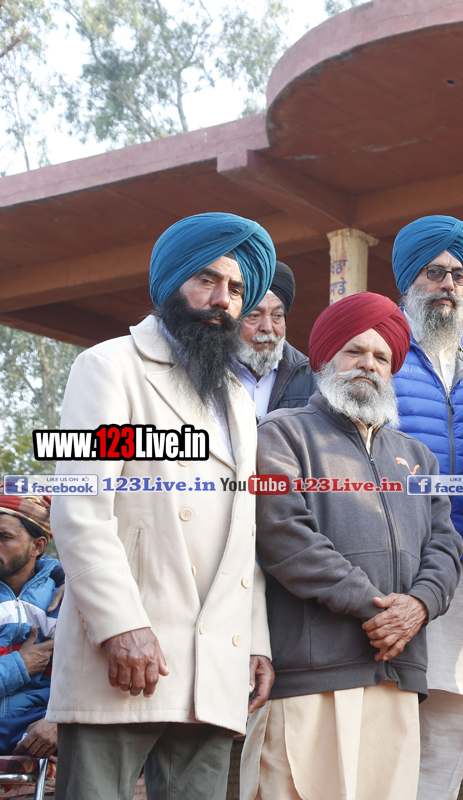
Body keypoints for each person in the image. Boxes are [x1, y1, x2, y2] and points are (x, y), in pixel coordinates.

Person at [50, 212, 276, 800]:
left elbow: (243, 537)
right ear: (171, 282)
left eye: (235, 289)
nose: (222, 300)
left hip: (212, 669)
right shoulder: (109, 367)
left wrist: (255, 641)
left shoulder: (237, 399)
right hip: (125, 657)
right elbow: (80, 509)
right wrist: (121, 626)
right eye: (206, 280)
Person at [243, 291, 462, 800]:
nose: (369, 365)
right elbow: (284, 536)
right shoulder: (281, 434)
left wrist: (418, 606)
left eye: (381, 357)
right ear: (326, 359)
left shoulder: (418, 457)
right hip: (312, 676)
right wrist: (379, 607)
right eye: (355, 351)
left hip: (396, 674)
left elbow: (445, 546)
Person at [391, 215, 463, 800]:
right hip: (391, 564)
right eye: (434, 273)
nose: (448, 285)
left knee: (453, 719)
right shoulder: (380, 351)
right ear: (408, 280)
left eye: (458, 275)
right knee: (390, 717)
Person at [0, 496, 60, 760]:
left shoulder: (67, 597)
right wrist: (19, 666)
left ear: (38, 545)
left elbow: (91, 676)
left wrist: (58, 720)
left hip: (38, 725)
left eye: (4, 537)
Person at [236, 261, 318, 419]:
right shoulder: (209, 371)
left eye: (277, 316)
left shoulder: (311, 378)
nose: (267, 327)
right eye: (254, 315)